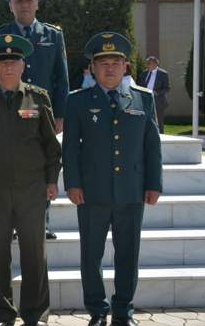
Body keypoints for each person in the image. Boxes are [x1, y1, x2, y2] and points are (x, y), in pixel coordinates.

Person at [62, 32, 162, 326]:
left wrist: (154, 183)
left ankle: (123, 311)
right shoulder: (78, 101)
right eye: (102, 62)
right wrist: (73, 183)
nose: (109, 68)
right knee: (91, 256)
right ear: (92, 67)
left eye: (115, 62)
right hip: (92, 194)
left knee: (128, 256)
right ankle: (96, 310)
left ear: (126, 67)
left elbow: (151, 146)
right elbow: (70, 148)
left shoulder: (143, 99)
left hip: (131, 193)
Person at [0, 34, 61, 326]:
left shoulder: (38, 97)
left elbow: (50, 145)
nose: (9, 66)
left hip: (32, 189)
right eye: (2, 61)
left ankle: (36, 314)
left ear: (23, 65)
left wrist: (51, 180)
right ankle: (2, 314)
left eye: (14, 61)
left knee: (34, 253)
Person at [0, 0, 69, 240]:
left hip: (42, 114)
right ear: (10, 5)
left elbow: (61, 77)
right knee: (12, 164)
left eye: (29, 0)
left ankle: (42, 220)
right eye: (19, 0)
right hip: (9, 112)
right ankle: (11, 221)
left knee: (43, 164)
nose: (24, 5)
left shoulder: (53, 35)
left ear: (37, 4)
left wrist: (60, 113)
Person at [139, 56, 170, 133]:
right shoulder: (144, 73)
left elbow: (167, 88)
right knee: (145, 120)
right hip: (145, 100)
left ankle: (161, 137)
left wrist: (156, 92)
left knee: (159, 121)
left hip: (158, 101)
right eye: (147, 63)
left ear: (155, 64)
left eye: (149, 63)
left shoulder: (163, 74)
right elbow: (139, 85)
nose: (147, 65)